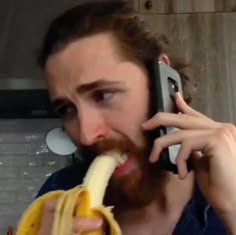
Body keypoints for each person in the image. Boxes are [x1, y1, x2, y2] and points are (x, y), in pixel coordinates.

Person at [36, 1, 236, 234]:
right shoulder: (58, 195)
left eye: (103, 95)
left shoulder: (231, 185)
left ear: (161, 81)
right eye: (66, 110)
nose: (86, 135)